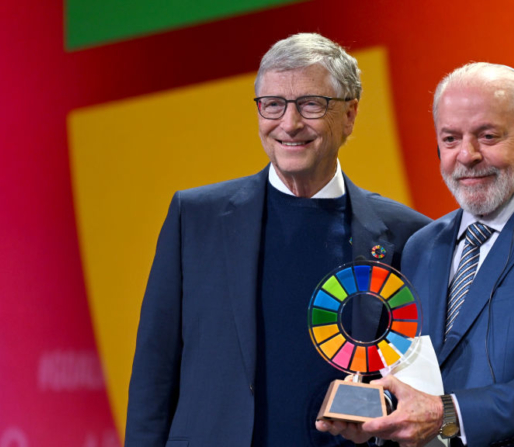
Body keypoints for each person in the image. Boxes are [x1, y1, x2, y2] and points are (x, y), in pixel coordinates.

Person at [125, 33, 430, 447]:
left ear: (349, 115)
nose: (289, 124)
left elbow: (414, 382)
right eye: (273, 104)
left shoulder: (407, 234)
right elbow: (154, 373)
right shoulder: (195, 217)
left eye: (311, 104)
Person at [318, 63, 514, 446]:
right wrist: (377, 406)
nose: (466, 156)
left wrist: (447, 414)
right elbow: (418, 369)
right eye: (450, 139)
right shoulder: (423, 245)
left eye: (488, 136)